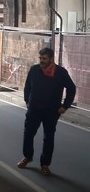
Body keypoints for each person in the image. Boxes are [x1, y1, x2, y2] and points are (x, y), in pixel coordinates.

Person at [17, 47, 76, 176]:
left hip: (51, 111)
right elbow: (27, 86)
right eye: (40, 58)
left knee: (48, 138)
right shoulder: (34, 70)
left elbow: (71, 89)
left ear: (51, 59)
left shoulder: (60, 72)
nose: (41, 61)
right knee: (28, 134)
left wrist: (65, 106)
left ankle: (45, 164)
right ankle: (27, 157)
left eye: (44, 59)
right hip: (34, 110)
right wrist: (27, 100)